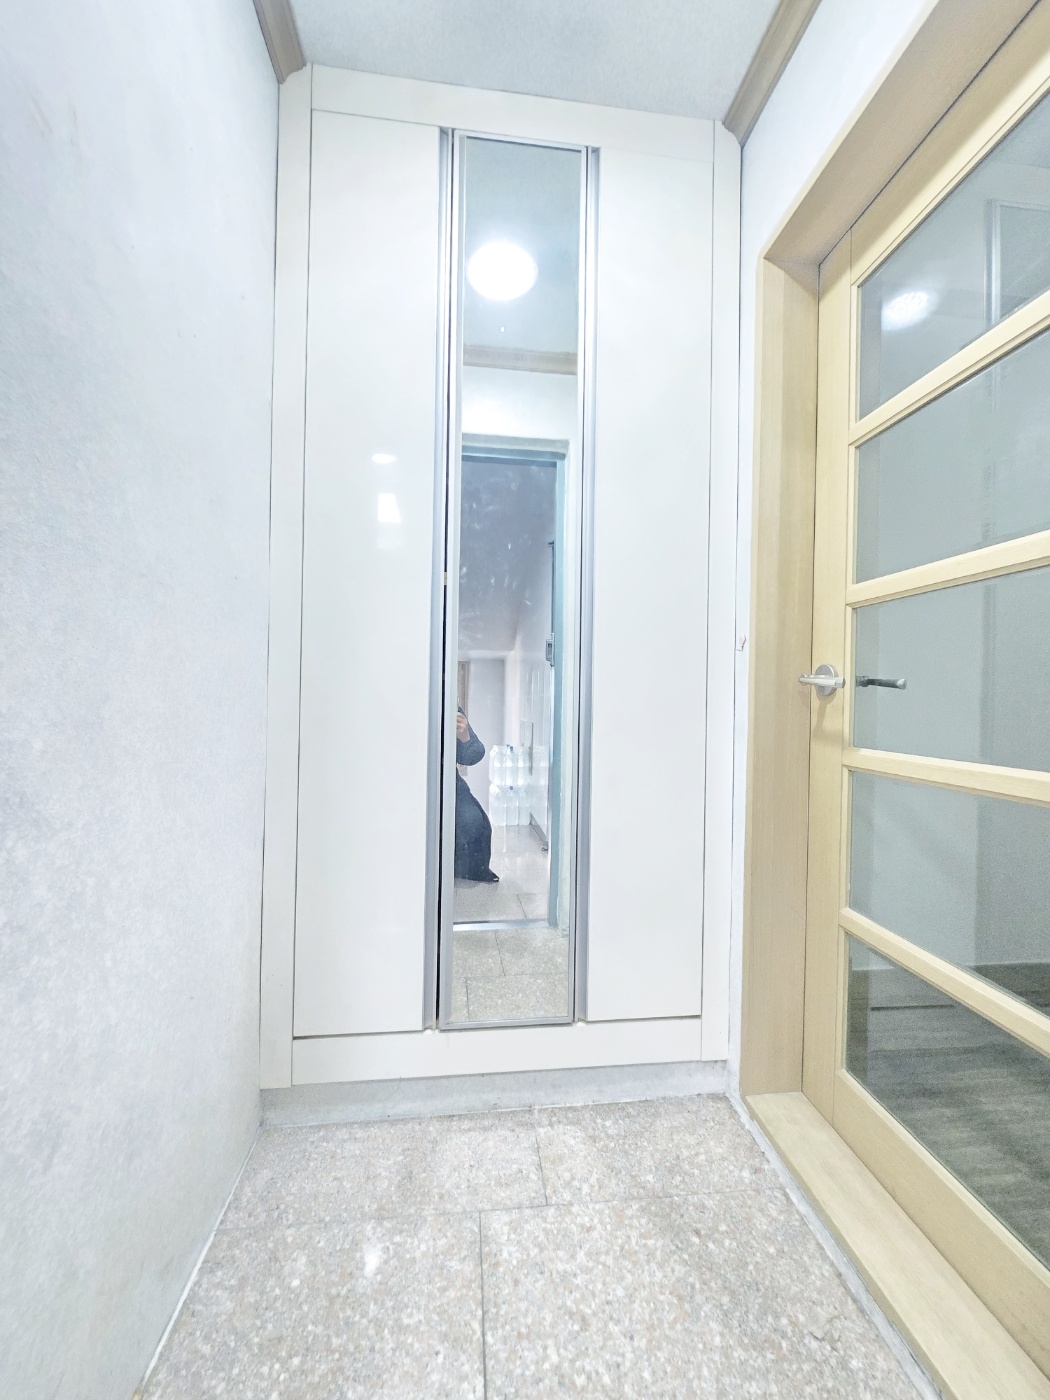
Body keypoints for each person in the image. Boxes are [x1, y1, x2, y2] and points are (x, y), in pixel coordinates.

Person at [455, 709, 499, 883]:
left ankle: (470, 870)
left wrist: (464, 737)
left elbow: (474, 754)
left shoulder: (450, 707)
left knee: (474, 821)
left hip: (447, 782)